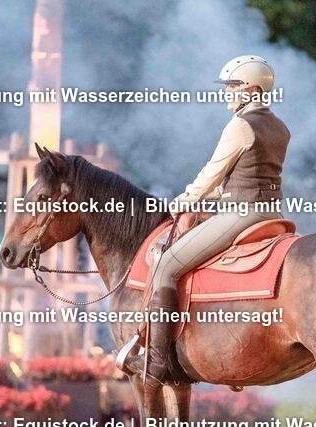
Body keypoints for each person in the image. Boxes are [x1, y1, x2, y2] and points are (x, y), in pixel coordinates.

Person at [120, 55, 290, 383]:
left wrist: (183, 201)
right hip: (272, 213)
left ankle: (155, 362)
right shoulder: (280, 127)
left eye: (233, 86)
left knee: (168, 264)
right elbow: (245, 177)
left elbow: (211, 175)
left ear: (252, 89)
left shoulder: (240, 126)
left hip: (241, 215)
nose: (227, 92)